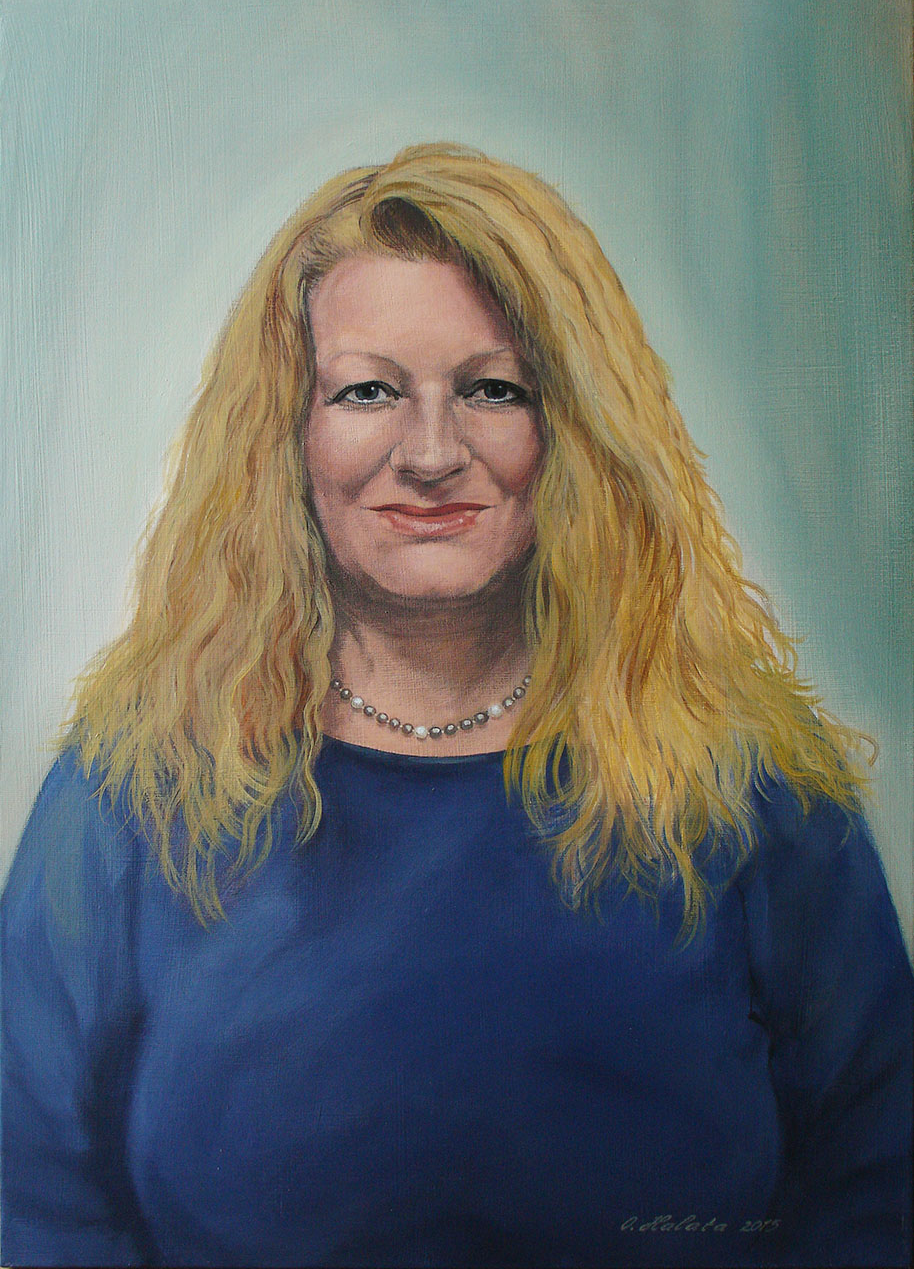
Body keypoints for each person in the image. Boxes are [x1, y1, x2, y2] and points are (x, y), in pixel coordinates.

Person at [2, 143, 911, 1269]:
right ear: (285, 434)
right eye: (368, 391)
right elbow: (29, 1192)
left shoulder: (749, 781)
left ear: (575, 429)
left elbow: (878, 1181)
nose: (431, 454)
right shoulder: (134, 789)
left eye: (493, 389)